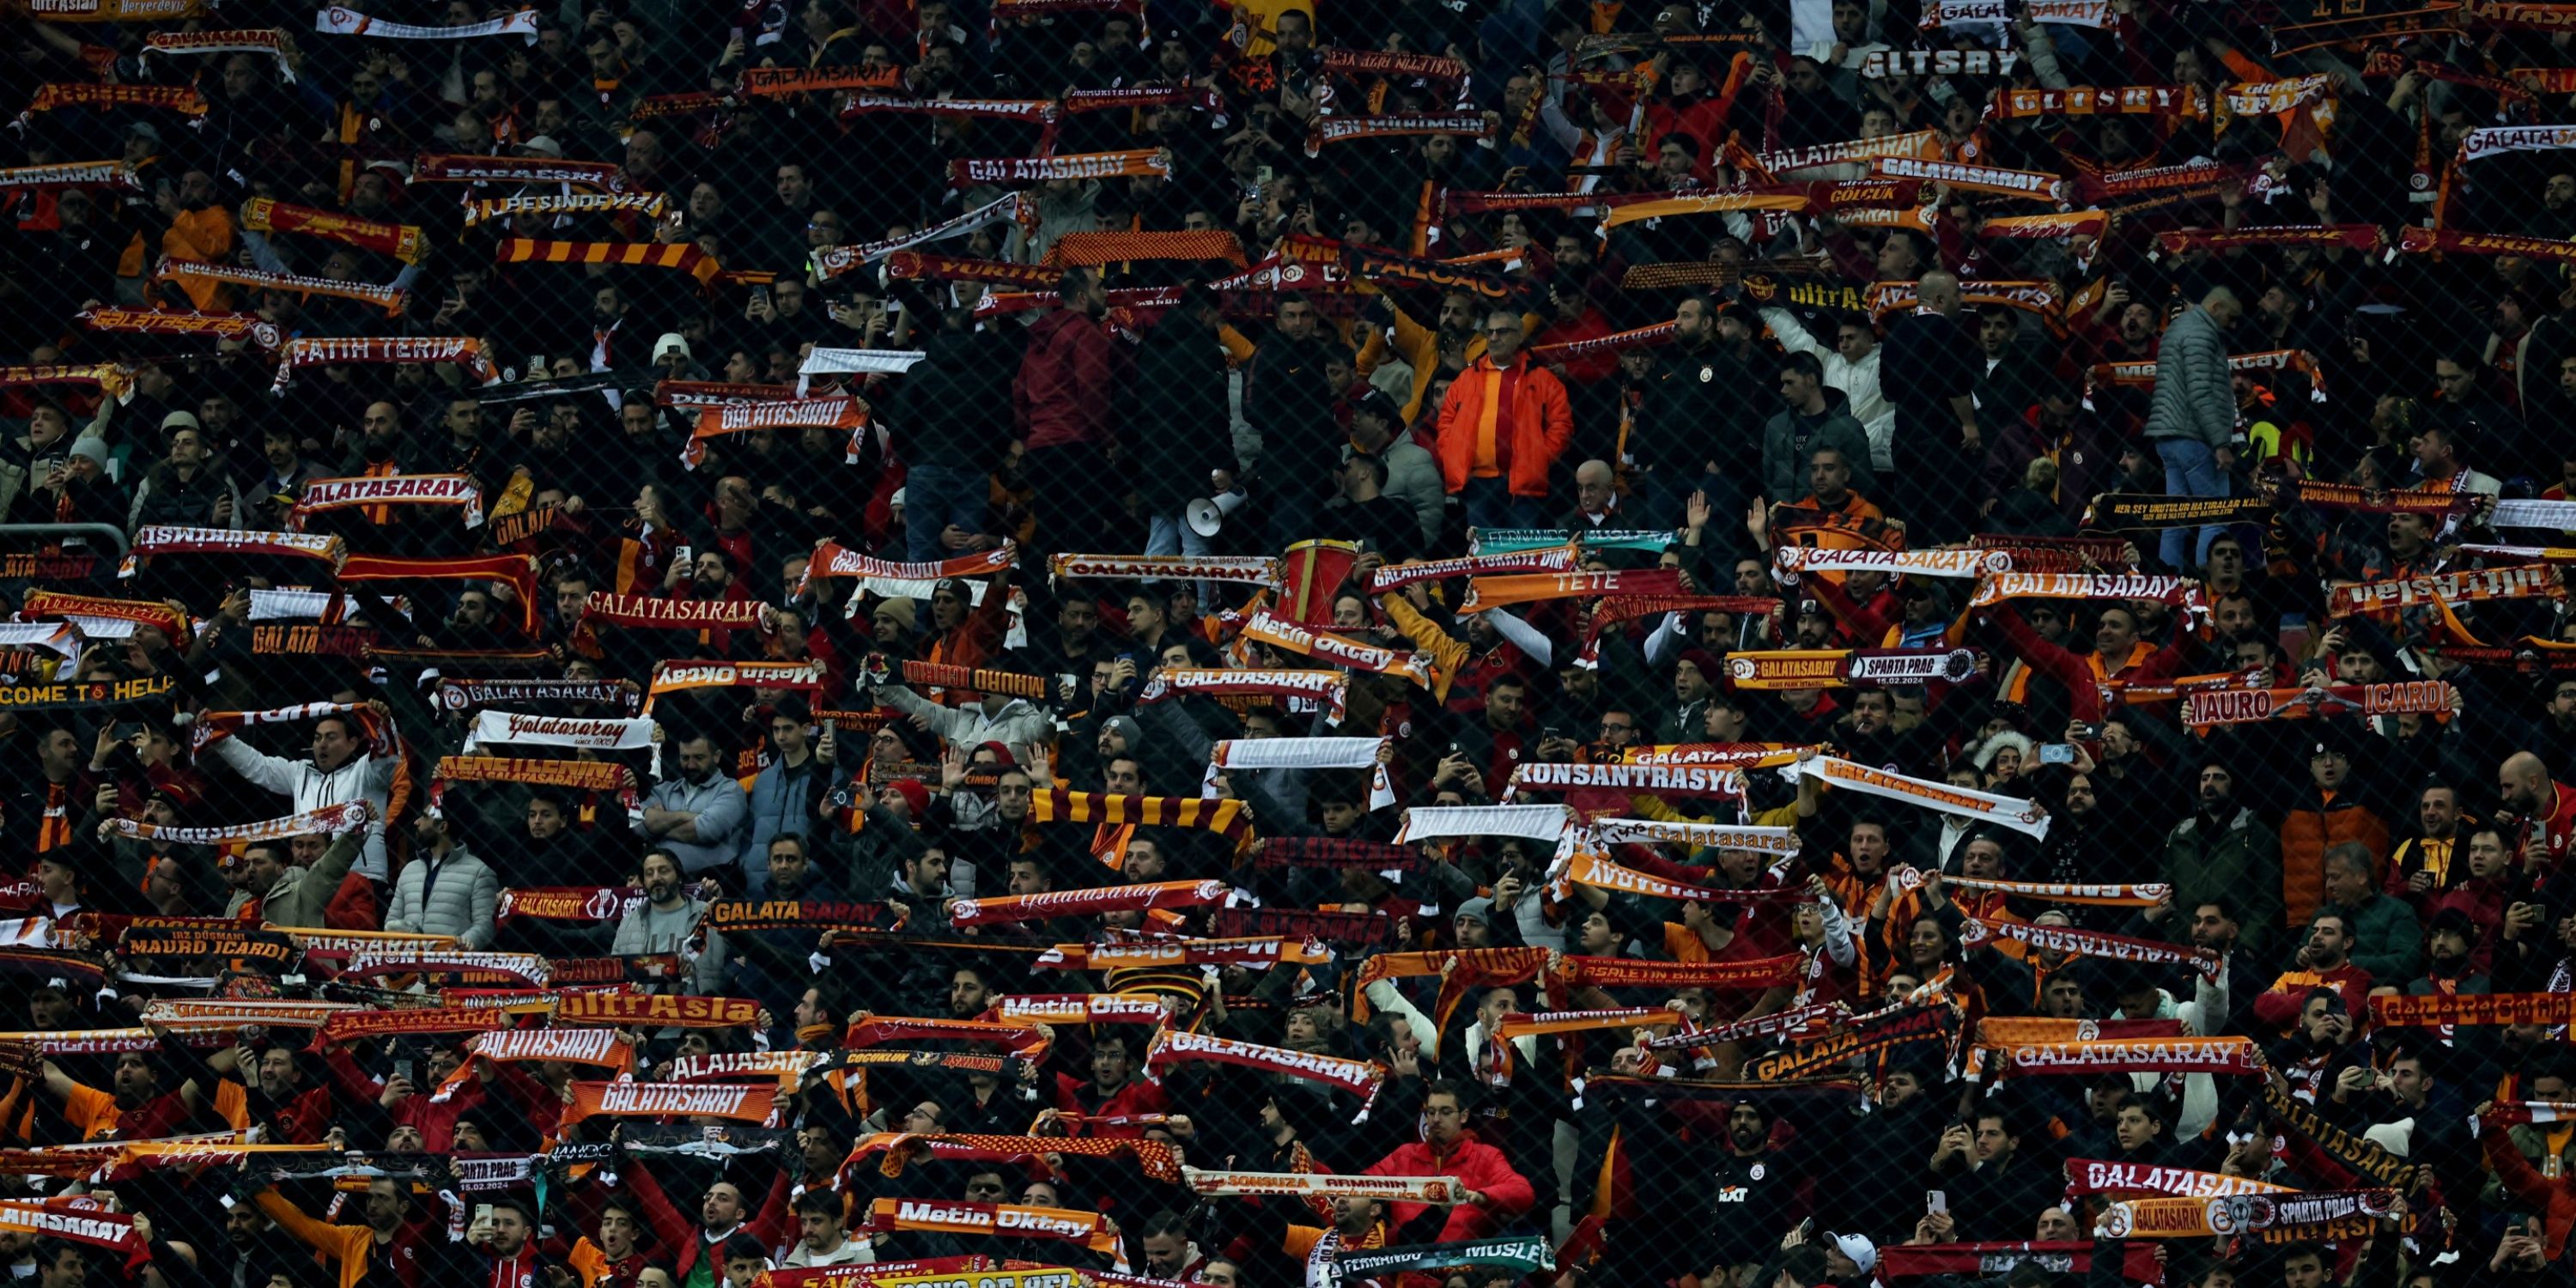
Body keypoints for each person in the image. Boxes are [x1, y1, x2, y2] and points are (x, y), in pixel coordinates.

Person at [2142, 287, 2244, 571]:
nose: (2233, 325)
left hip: (2168, 437)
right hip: (2194, 438)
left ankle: (2168, 586)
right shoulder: (2202, 333)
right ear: (2215, 307)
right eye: (2231, 317)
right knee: (2214, 515)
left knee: (2176, 519)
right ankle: (2211, 593)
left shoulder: (2176, 329)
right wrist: (2221, 444)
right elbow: (2200, 393)